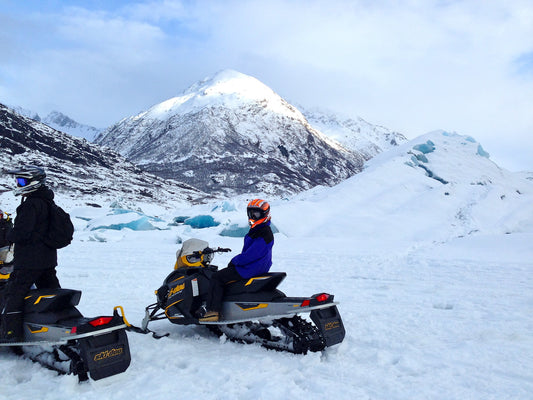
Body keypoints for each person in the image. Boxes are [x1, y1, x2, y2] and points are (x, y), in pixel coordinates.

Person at [0, 166, 60, 342]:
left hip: (29, 261)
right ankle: (61, 321)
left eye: (21, 181)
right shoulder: (48, 201)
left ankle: (11, 334)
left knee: (14, 294)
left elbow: (21, 233)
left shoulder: (31, 205)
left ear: (33, 182)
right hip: (48, 258)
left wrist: (9, 234)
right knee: (53, 292)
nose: (18, 185)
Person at [201, 199, 274, 322]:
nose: (252, 217)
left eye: (256, 214)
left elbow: (251, 255)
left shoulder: (263, 232)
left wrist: (235, 261)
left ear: (264, 214)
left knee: (217, 277)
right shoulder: (260, 229)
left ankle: (213, 311)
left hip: (252, 268)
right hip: (256, 266)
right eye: (251, 213)